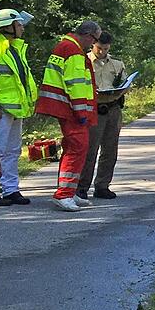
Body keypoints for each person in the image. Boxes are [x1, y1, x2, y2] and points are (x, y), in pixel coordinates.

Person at [36, 20, 100, 212]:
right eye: (94, 40)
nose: (93, 45)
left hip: (65, 106)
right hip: (71, 109)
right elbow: (75, 84)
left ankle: (69, 192)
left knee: (75, 149)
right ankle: (64, 194)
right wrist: (82, 111)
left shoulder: (66, 46)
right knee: (77, 148)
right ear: (88, 36)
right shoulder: (73, 51)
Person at [0, 8, 37, 207]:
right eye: (19, 24)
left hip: (15, 109)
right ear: (8, 27)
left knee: (13, 151)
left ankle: (10, 189)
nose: (22, 28)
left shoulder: (14, 48)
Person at [77, 32, 129, 201]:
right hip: (94, 109)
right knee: (90, 150)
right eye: (99, 48)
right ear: (93, 45)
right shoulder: (84, 61)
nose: (102, 52)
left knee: (110, 150)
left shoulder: (117, 64)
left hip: (113, 108)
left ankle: (102, 185)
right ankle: (82, 187)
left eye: (105, 49)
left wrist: (121, 89)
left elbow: (124, 83)